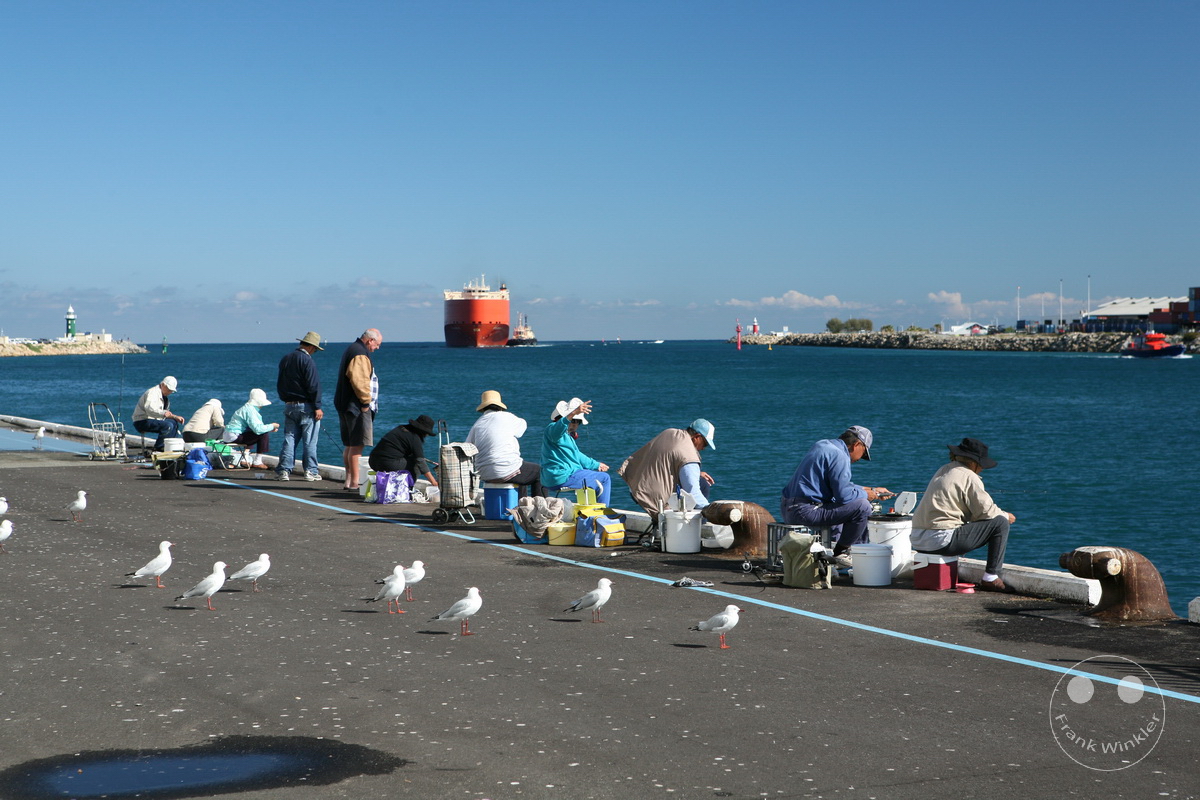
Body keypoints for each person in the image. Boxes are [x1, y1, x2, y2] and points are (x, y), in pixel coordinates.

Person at [909, 437, 1016, 593]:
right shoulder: (969, 476)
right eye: (981, 466)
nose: (982, 469)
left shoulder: (944, 469)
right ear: (973, 463)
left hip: (919, 540)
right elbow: (987, 512)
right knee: (1000, 523)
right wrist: (1006, 516)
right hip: (940, 541)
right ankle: (991, 577)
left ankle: (990, 577)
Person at [779, 426, 891, 567]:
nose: (860, 459)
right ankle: (840, 553)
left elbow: (839, 487)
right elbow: (844, 495)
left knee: (844, 504)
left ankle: (832, 557)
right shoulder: (840, 456)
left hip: (789, 507)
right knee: (863, 507)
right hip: (804, 511)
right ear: (857, 445)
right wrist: (867, 495)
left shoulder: (823, 445)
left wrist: (872, 490)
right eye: (863, 453)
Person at [617, 419, 716, 520]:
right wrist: (711, 511)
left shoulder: (669, 433)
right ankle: (694, 528)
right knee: (703, 484)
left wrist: (696, 473)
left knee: (698, 480)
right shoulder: (689, 456)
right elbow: (693, 493)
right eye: (705, 444)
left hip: (635, 486)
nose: (703, 448)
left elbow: (665, 464)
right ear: (697, 437)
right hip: (655, 498)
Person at [466, 390, 545, 497]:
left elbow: (467, 448)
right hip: (505, 470)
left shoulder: (477, 424)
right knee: (541, 473)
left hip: (484, 474)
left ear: (483, 408)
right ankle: (541, 509)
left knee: (520, 473)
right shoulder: (507, 416)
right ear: (500, 407)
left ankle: (520, 508)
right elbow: (521, 429)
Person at [333, 328, 382, 491]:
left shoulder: (351, 349)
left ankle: (348, 480)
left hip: (344, 403)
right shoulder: (360, 353)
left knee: (349, 444)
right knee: (357, 445)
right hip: (356, 406)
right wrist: (365, 402)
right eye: (377, 344)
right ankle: (354, 483)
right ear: (370, 341)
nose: (377, 348)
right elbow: (359, 380)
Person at [275, 331, 325, 482]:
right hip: (306, 406)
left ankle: (284, 471)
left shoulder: (286, 359)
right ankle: (310, 471)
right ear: (311, 347)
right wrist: (317, 406)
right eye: (315, 349)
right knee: (309, 440)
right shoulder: (307, 360)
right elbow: (313, 385)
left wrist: (285, 399)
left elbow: (280, 383)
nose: (315, 352)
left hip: (289, 405)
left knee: (289, 439)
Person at [541, 398, 611, 505]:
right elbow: (558, 428)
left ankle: (589, 516)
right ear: (561, 418)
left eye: (578, 422)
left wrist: (596, 465)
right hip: (562, 476)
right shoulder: (552, 430)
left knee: (591, 475)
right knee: (604, 479)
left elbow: (577, 455)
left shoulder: (567, 437)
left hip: (554, 478)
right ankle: (602, 515)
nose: (575, 424)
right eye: (573, 420)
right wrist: (573, 413)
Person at [369, 414, 439, 487]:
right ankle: (408, 490)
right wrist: (434, 482)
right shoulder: (415, 438)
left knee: (412, 460)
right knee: (416, 466)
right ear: (423, 431)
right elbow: (420, 462)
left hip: (373, 461)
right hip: (386, 464)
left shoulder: (400, 428)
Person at [223, 388, 279, 469]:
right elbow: (258, 429)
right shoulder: (251, 411)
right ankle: (257, 461)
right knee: (262, 434)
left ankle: (245, 458)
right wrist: (272, 426)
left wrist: (269, 428)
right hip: (235, 436)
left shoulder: (245, 408)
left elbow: (253, 427)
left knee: (252, 432)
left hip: (228, 435)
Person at [132, 376, 186, 451]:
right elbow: (149, 409)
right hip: (142, 421)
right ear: (163, 385)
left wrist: (175, 417)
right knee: (168, 425)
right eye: (169, 389)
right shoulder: (152, 393)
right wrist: (163, 413)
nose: (170, 392)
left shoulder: (164, 396)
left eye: (171, 391)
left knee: (174, 423)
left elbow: (165, 413)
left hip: (153, 420)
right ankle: (159, 447)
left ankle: (170, 446)